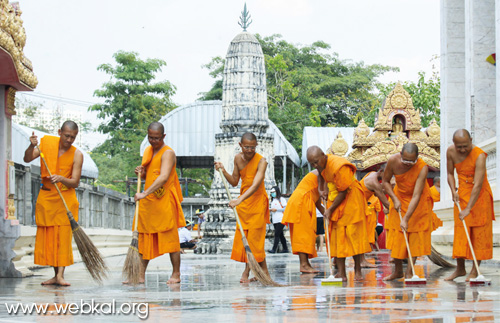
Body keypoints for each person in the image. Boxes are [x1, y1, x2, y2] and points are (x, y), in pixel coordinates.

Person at [23, 121, 83, 286]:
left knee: (62, 238)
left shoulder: (77, 154)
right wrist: (31, 145)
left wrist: (61, 178)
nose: (69, 140)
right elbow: (27, 158)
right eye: (67, 136)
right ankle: (55, 275)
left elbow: (75, 182)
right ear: (59, 132)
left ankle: (61, 275)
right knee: (50, 237)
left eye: (73, 137)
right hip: (47, 197)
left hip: (65, 199)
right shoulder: (46, 146)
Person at [306, 146, 371, 281]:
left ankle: (357, 270)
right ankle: (341, 272)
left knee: (354, 236)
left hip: (351, 198)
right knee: (337, 236)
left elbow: (344, 191)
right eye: (312, 163)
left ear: (324, 155)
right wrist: (321, 189)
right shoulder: (320, 164)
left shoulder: (339, 166)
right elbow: (320, 175)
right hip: (335, 196)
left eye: (316, 162)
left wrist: (329, 210)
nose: (315, 165)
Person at [133, 122, 186, 284]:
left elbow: (163, 177)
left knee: (170, 239)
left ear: (163, 136)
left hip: (163, 201)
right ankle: (140, 275)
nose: (153, 141)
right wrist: (142, 171)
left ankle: (176, 273)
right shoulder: (148, 150)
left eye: (156, 138)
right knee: (144, 238)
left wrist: (144, 193)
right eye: (150, 137)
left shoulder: (168, 153)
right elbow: (152, 172)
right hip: (149, 203)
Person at [214, 132, 270, 283]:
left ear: (256, 146)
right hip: (244, 205)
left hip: (257, 202)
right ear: (240, 145)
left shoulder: (262, 161)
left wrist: (238, 200)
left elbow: (255, 185)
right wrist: (223, 170)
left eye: (252, 147)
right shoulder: (238, 158)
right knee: (249, 240)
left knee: (254, 240)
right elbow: (233, 181)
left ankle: (247, 273)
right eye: (246, 147)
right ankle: (263, 272)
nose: (250, 150)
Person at [445, 129, 495, 281]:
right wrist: (453, 190)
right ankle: (460, 269)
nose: (462, 150)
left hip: (480, 196)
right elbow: (449, 173)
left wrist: (468, 209)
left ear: (471, 140)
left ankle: (475, 269)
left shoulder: (479, 155)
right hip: (462, 195)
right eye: (459, 146)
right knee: (461, 231)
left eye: (465, 146)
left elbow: (478, 184)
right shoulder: (451, 152)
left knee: (478, 232)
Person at [382, 143, 435, 281]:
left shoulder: (422, 168)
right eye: (405, 160)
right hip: (399, 197)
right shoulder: (393, 161)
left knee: (414, 236)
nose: (408, 164)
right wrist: (394, 198)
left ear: (417, 157)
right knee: (397, 237)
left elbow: (417, 195)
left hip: (418, 201)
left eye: (412, 161)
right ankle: (397, 271)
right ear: (400, 154)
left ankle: (410, 272)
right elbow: (385, 181)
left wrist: (406, 218)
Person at [282, 170, 323, 273]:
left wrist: (325, 212)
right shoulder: (324, 170)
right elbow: (324, 191)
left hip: (304, 200)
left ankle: (306, 263)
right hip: (301, 201)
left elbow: (317, 197)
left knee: (308, 233)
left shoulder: (324, 171)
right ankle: (304, 264)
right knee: (303, 234)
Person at [359, 166, 391, 267]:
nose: (388, 177)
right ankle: (362, 261)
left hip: (360, 206)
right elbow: (384, 200)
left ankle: (337, 261)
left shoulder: (373, 174)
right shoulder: (374, 182)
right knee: (360, 234)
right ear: (381, 171)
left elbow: (379, 191)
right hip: (357, 206)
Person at [268, 186, 289, 254]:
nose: (272, 194)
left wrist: (276, 210)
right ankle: (285, 248)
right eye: (271, 193)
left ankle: (274, 249)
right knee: (280, 235)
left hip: (281, 219)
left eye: (273, 192)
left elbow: (285, 209)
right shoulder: (273, 200)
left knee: (276, 234)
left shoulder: (282, 199)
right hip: (275, 220)